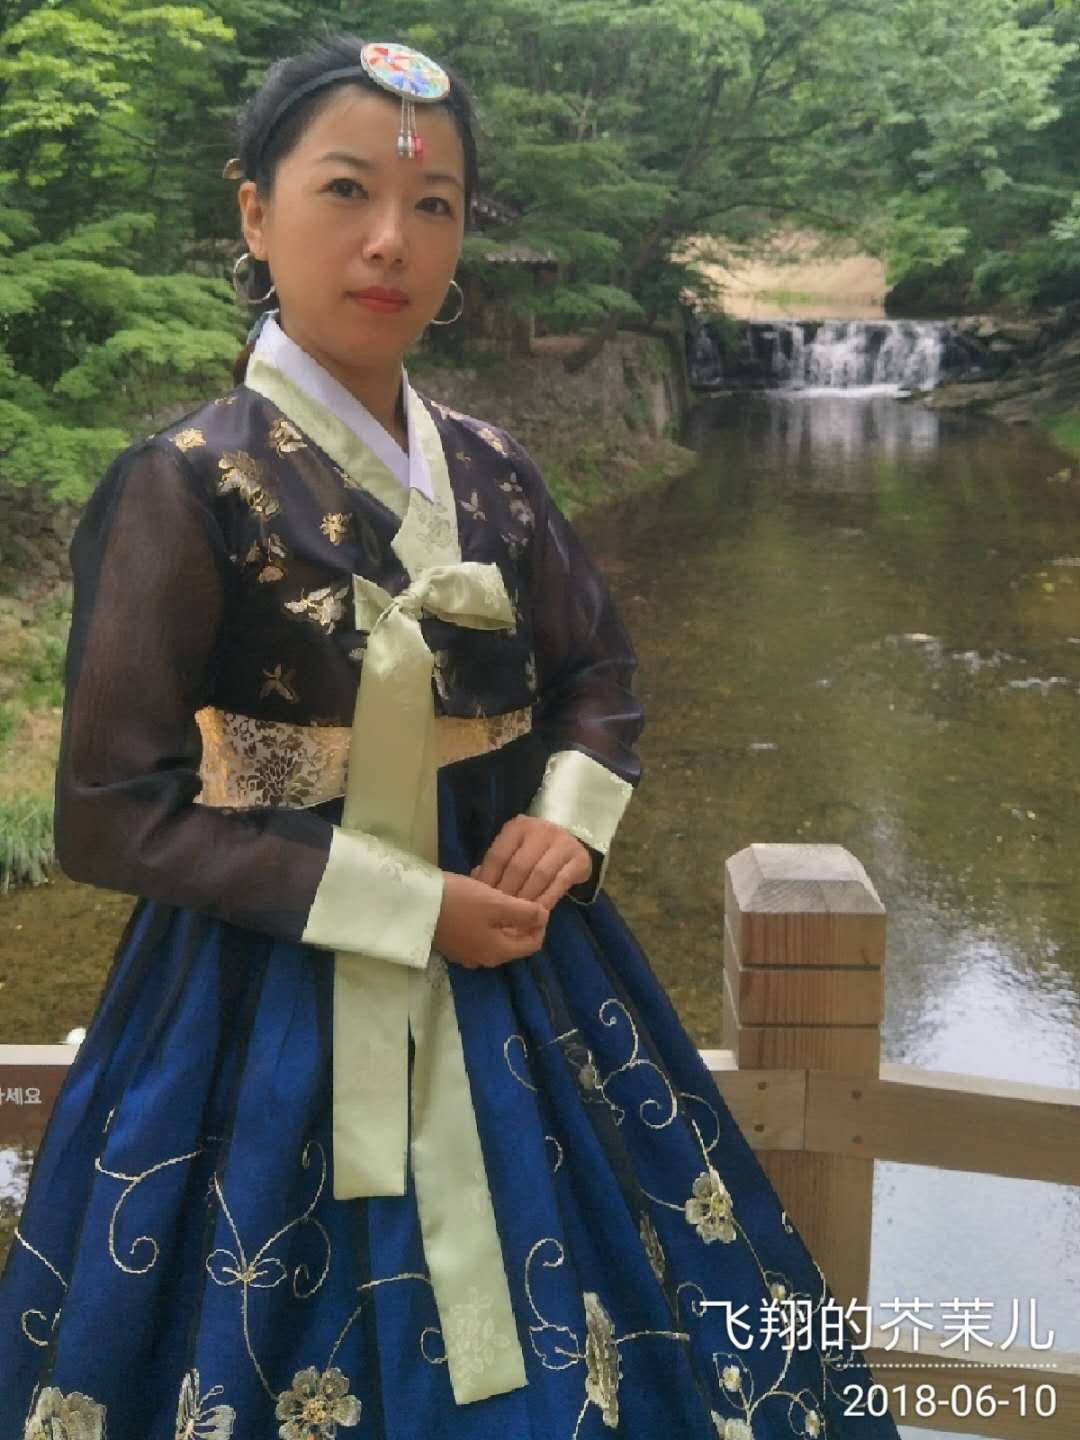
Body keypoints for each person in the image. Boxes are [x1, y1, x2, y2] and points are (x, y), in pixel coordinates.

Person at [0, 32, 903, 1440]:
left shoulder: (491, 467)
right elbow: (111, 814)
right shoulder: (186, 485)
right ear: (255, 213)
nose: (392, 240)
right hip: (266, 983)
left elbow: (597, 672)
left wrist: (566, 821)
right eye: (346, 192)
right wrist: (412, 909)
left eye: (434, 204)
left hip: (522, 956)